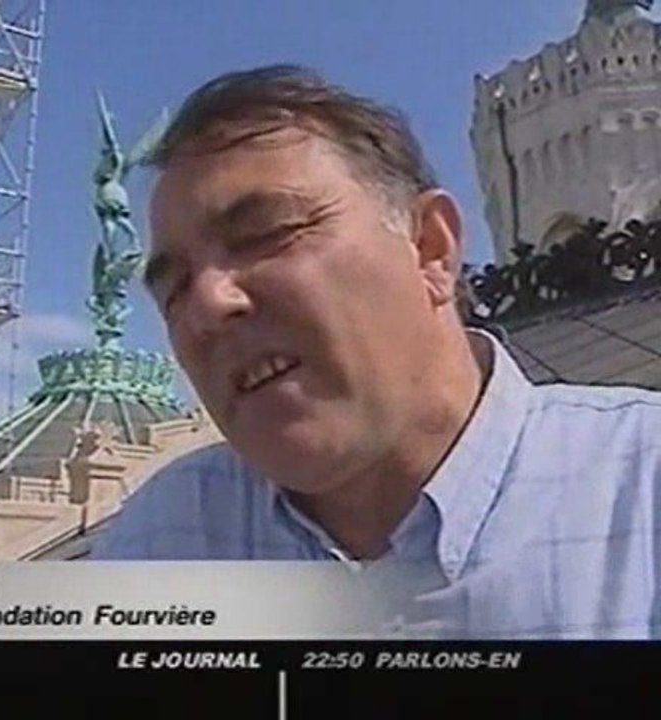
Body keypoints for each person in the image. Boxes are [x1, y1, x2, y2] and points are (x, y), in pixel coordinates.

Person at [89, 65, 661, 639]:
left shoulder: (640, 486)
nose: (206, 305)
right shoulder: (163, 536)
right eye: (173, 289)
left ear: (430, 249)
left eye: (267, 234)